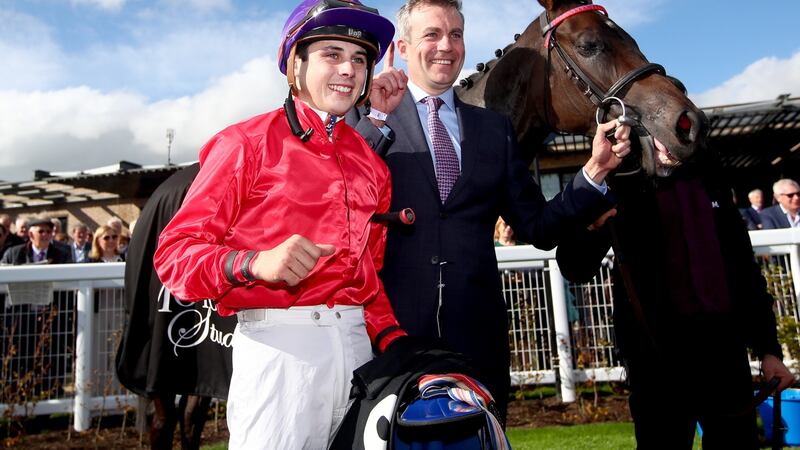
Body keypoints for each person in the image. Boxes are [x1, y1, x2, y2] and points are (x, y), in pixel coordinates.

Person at [346, 0, 631, 417]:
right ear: (404, 48)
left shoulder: (493, 130)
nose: (446, 46)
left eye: (456, 34)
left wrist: (594, 170)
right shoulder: (365, 116)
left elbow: (539, 226)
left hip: (477, 343)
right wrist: (373, 117)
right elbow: (344, 198)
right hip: (388, 337)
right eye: (432, 34)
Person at [153, 1, 406, 448]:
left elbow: (368, 277)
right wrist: (254, 263)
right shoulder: (243, 144)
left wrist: (393, 339)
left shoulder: (372, 166)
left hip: (357, 352)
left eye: (360, 58)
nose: (349, 68)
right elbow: (175, 256)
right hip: (279, 351)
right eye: (332, 53)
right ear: (295, 63)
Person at [556, 153, 794, 448]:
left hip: (723, 354)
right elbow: (574, 266)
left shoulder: (708, 173)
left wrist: (769, 350)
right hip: (656, 360)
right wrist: (589, 226)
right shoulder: (622, 179)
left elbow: (744, 270)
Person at [116, 163, 236, 450]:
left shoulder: (168, 189)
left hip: (165, 303)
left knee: (165, 409)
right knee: (187, 407)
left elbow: (138, 263)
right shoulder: (216, 179)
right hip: (196, 296)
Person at [1, 217, 72, 265]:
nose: (45, 234)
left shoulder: (62, 255)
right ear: (31, 235)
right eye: (41, 231)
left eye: (48, 231)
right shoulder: (13, 254)